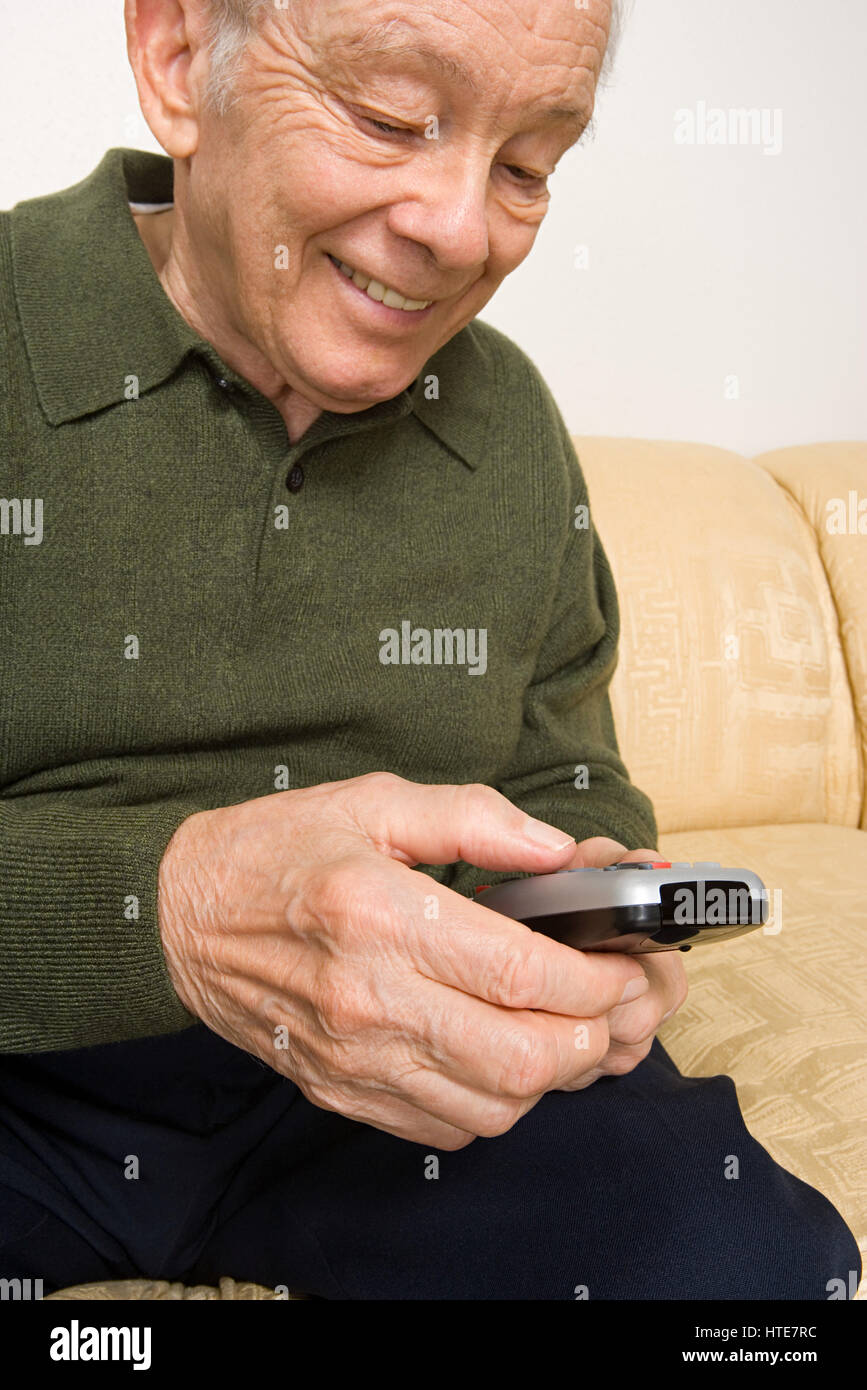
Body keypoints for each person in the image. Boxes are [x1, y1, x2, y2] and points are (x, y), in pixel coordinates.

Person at [0, 0, 859, 1299]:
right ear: (178, 59)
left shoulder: (506, 421)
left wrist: (597, 894)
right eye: (390, 117)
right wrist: (169, 913)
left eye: (527, 164)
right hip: (26, 1080)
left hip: (388, 1095)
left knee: (754, 1266)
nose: (464, 232)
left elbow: (565, 772)